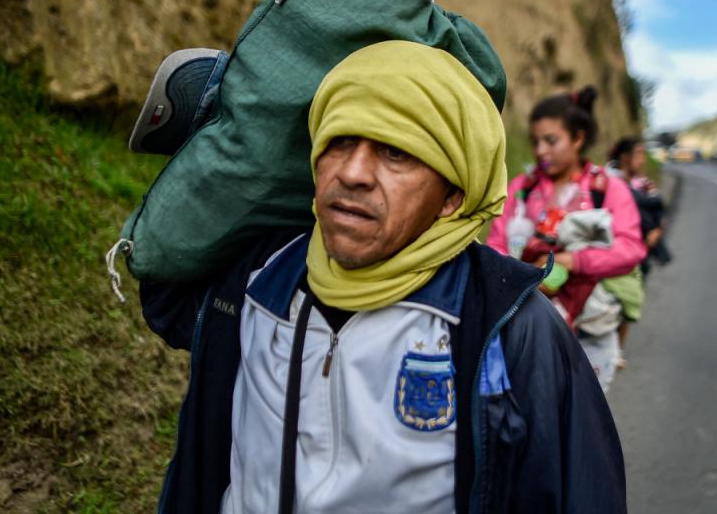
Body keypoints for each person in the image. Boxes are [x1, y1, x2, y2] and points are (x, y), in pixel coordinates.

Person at [140, 42, 626, 513]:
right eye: (339, 141)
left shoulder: (510, 326)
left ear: (452, 195)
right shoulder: (257, 280)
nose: (352, 173)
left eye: (395, 152)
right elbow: (162, 293)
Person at [486, 86, 647, 393]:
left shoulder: (607, 189)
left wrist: (572, 261)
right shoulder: (521, 189)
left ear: (578, 138)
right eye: (535, 141)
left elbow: (630, 248)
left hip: (590, 335)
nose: (540, 151)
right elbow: (496, 245)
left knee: (583, 414)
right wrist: (523, 277)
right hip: (526, 331)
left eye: (551, 141)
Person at [607, 137, 670, 368]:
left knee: (629, 302)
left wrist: (656, 231)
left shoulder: (644, 184)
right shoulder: (611, 181)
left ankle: (616, 350)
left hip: (641, 254)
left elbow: (659, 215)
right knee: (612, 300)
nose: (642, 160)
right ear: (625, 157)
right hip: (615, 252)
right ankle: (606, 347)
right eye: (638, 154)